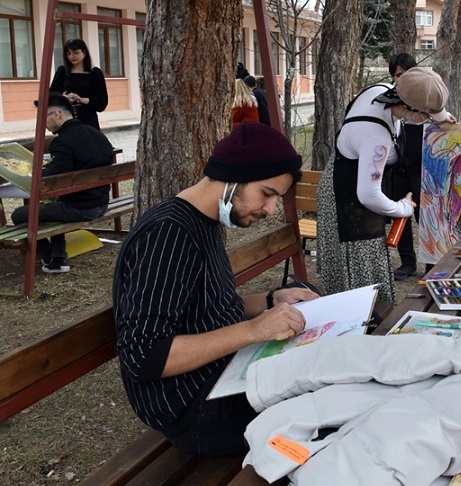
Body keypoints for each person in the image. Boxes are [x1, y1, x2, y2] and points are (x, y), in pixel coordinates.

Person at [113, 121, 315, 455]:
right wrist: (253, 330)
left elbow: (207, 308)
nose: (270, 209)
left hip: (223, 379)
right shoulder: (168, 234)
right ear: (233, 176)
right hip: (195, 410)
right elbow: (144, 356)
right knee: (326, 411)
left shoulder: (202, 221)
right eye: (267, 194)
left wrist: (270, 299)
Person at [317, 67, 457, 303]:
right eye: (427, 116)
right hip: (346, 197)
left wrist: (441, 116)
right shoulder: (375, 137)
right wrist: (402, 208)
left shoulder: (384, 91)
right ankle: (365, 319)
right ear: (413, 111)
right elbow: (368, 195)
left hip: (355, 180)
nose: (427, 121)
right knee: (363, 265)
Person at [13, 93, 114, 274]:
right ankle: (58, 259)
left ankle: (48, 255)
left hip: (80, 207)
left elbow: (56, 179)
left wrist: (35, 172)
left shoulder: (62, 142)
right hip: (101, 203)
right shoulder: (96, 134)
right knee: (54, 204)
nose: (43, 124)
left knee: (19, 215)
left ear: (57, 115)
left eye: (44, 118)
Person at [384, 53, 422, 280]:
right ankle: (407, 263)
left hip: (420, 170)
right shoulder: (386, 101)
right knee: (401, 215)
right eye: (399, 75)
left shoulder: (426, 98)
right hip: (396, 170)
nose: (403, 79)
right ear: (392, 77)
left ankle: (431, 263)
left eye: (408, 74)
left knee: (424, 218)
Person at [48, 38, 108, 131]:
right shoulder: (62, 71)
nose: (72, 56)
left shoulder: (95, 73)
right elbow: (52, 96)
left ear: (84, 53)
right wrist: (63, 99)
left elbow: (101, 102)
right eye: (68, 53)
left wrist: (81, 99)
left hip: (89, 118)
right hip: (67, 118)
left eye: (75, 52)